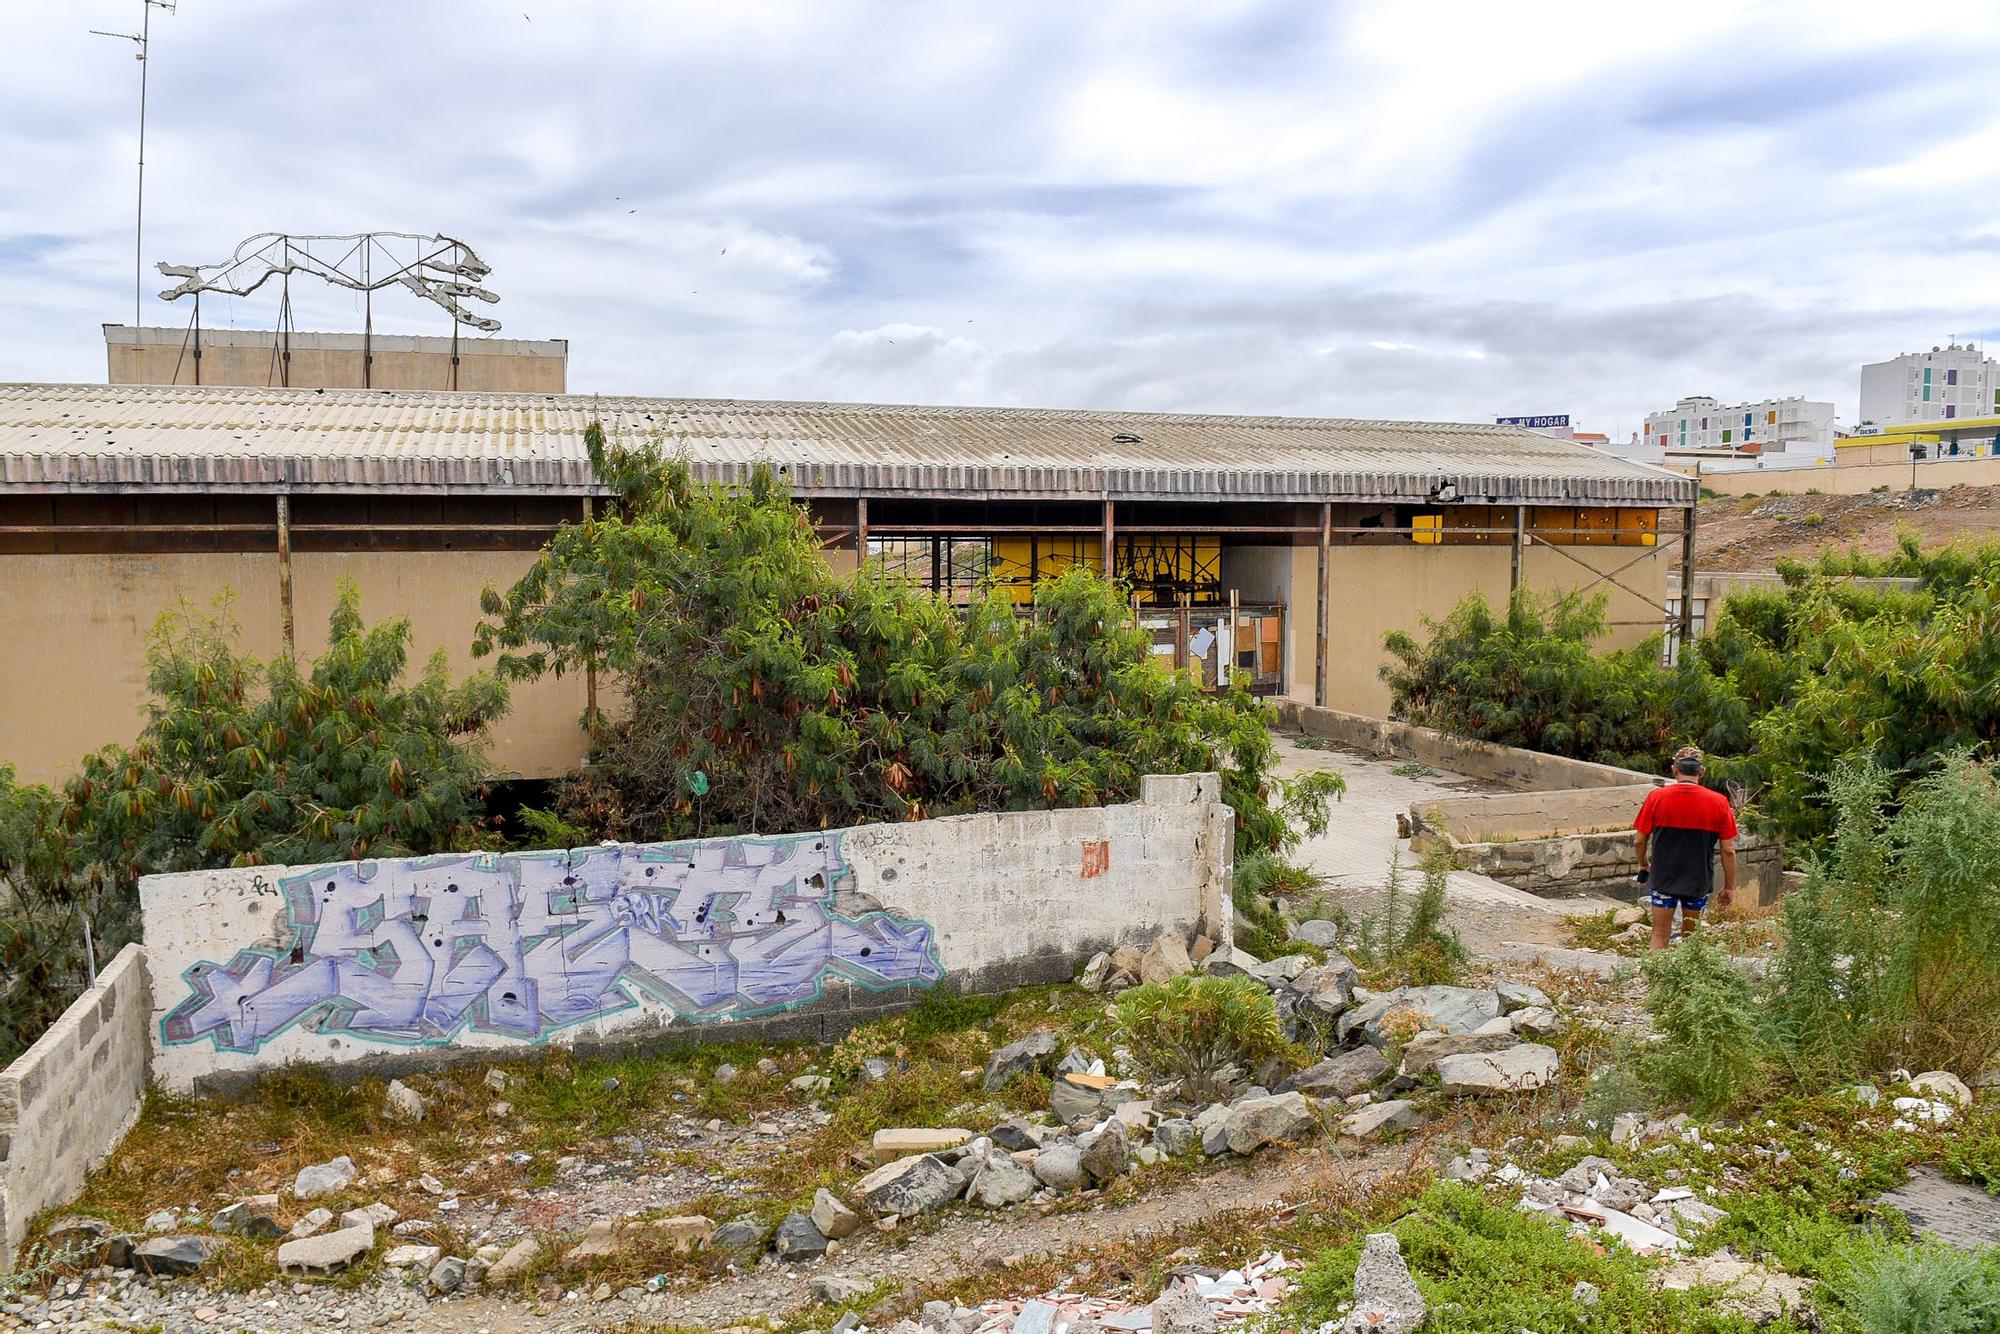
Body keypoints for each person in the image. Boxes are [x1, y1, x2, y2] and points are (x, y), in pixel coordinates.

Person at [1632, 745, 1737, 949]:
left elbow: (1639, 840)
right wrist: (1729, 887)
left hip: (1663, 877)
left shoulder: (1656, 797)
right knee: (1691, 937)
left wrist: (1643, 864)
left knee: (1659, 934)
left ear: (1674, 769)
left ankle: (1656, 979)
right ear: (1702, 771)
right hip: (1698, 880)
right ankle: (1687, 979)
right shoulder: (1719, 802)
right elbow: (1728, 850)